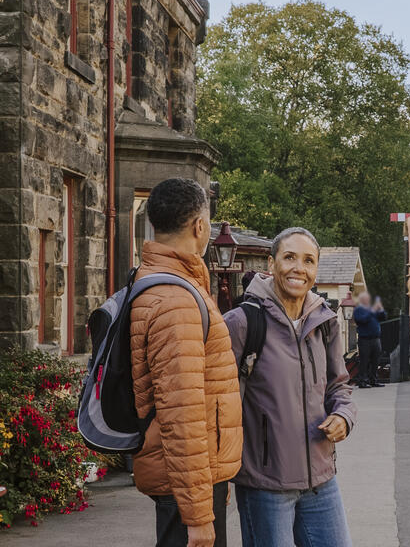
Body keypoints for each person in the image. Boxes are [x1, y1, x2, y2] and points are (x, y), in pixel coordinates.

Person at [223, 227, 357, 547]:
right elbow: (216, 402)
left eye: (309, 260)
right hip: (266, 485)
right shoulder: (242, 322)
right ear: (271, 264)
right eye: (290, 258)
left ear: (315, 270)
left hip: (321, 481)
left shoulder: (324, 321)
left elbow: (339, 386)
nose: (299, 268)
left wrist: (343, 416)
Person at [130, 178, 243, 547]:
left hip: (187, 476)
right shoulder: (176, 299)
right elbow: (182, 414)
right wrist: (197, 514)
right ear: (199, 226)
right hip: (187, 486)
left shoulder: (161, 283)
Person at [351, 293, 386, 388]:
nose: (368, 300)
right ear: (362, 300)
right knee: (364, 361)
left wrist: (381, 308)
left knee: (375, 361)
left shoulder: (371, 310)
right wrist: (373, 310)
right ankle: (362, 381)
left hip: (376, 339)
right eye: (366, 299)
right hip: (365, 339)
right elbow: (362, 320)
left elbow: (383, 317)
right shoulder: (359, 310)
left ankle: (373, 380)